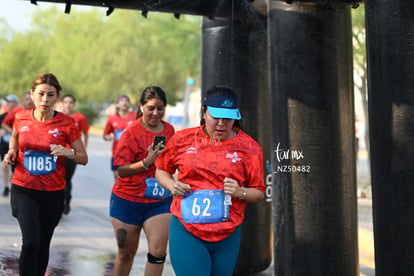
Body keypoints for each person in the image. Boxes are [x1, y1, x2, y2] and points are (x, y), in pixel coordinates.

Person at [155, 85, 266, 276]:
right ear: (204, 113)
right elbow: (162, 170)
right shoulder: (183, 139)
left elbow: (259, 192)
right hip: (187, 229)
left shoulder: (250, 148)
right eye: (216, 117)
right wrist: (172, 185)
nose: (221, 124)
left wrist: (241, 192)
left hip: (228, 234)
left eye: (228, 119)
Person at [2, 73, 88, 276]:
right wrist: (12, 152)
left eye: (50, 95)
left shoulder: (66, 123)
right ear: (32, 94)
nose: (45, 100)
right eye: (40, 94)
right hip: (24, 189)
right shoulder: (21, 117)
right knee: (30, 241)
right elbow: (15, 136)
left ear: (57, 97)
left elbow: (83, 158)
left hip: (53, 192)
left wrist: (67, 152)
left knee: (42, 244)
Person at [110, 86, 175, 276]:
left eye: (160, 108)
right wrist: (146, 162)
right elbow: (121, 170)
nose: (156, 113)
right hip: (127, 201)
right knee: (126, 254)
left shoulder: (170, 131)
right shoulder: (131, 133)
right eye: (151, 108)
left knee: (158, 252)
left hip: (159, 201)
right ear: (141, 107)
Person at [61, 94, 90, 215]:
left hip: (72, 154)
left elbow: (86, 133)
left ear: (74, 104)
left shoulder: (80, 118)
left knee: (67, 179)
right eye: (66, 102)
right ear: (62, 104)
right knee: (58, 180)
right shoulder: (58, 117)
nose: (68, 105)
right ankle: (58, 203)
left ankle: (67, 201)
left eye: (70, 102)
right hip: (59, 153)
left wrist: (83, 150)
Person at [103, 95, 136, 180]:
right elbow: (105, 134)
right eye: (122, 101)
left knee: (130, 179)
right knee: (118, 179)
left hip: (132, 153)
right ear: (117, 104)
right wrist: (108, 137)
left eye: (126, 101)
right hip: (117, 153)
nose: (124, 103)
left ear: (129, 104)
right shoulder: (112, 119)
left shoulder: (135, 117)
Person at [0, 94, 19, 196]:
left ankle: (14, 185)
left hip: (17, 145)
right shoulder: (2, 116)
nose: (8, 103)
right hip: (4, 144)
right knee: (5, 165)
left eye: (10, 101)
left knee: (15, 167)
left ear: (15, 103)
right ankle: (6, 186)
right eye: (7, 101)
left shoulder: (20, 114)